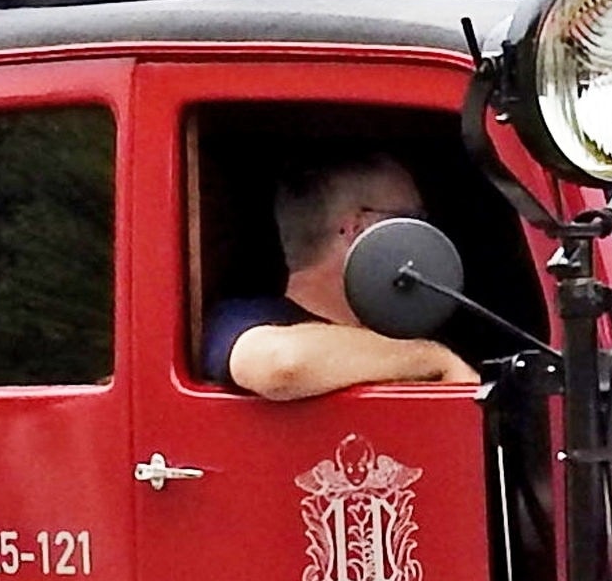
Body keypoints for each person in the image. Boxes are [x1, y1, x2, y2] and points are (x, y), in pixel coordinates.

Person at [203, 153, 481, 400]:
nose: (422, 233)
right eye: (410, 218)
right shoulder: (238, 319)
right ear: (357, 228)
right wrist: (431, 358)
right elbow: (281, 365)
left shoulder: (397, 337)